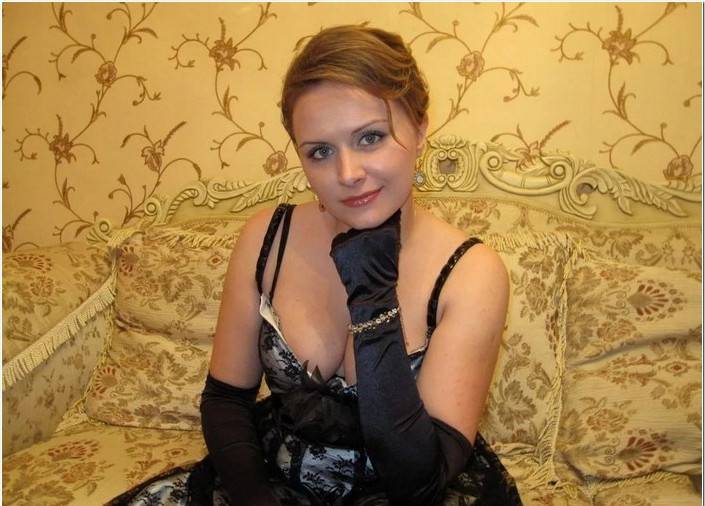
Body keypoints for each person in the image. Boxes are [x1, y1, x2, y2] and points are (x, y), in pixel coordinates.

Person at [109, 25, 522, 506]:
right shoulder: (268, 237)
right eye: (320, 152)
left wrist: (372, 294)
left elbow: (419, 482)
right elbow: (226, 400)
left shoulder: (471, 274)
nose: (348, 174)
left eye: (370, 137)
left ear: (420, 128)